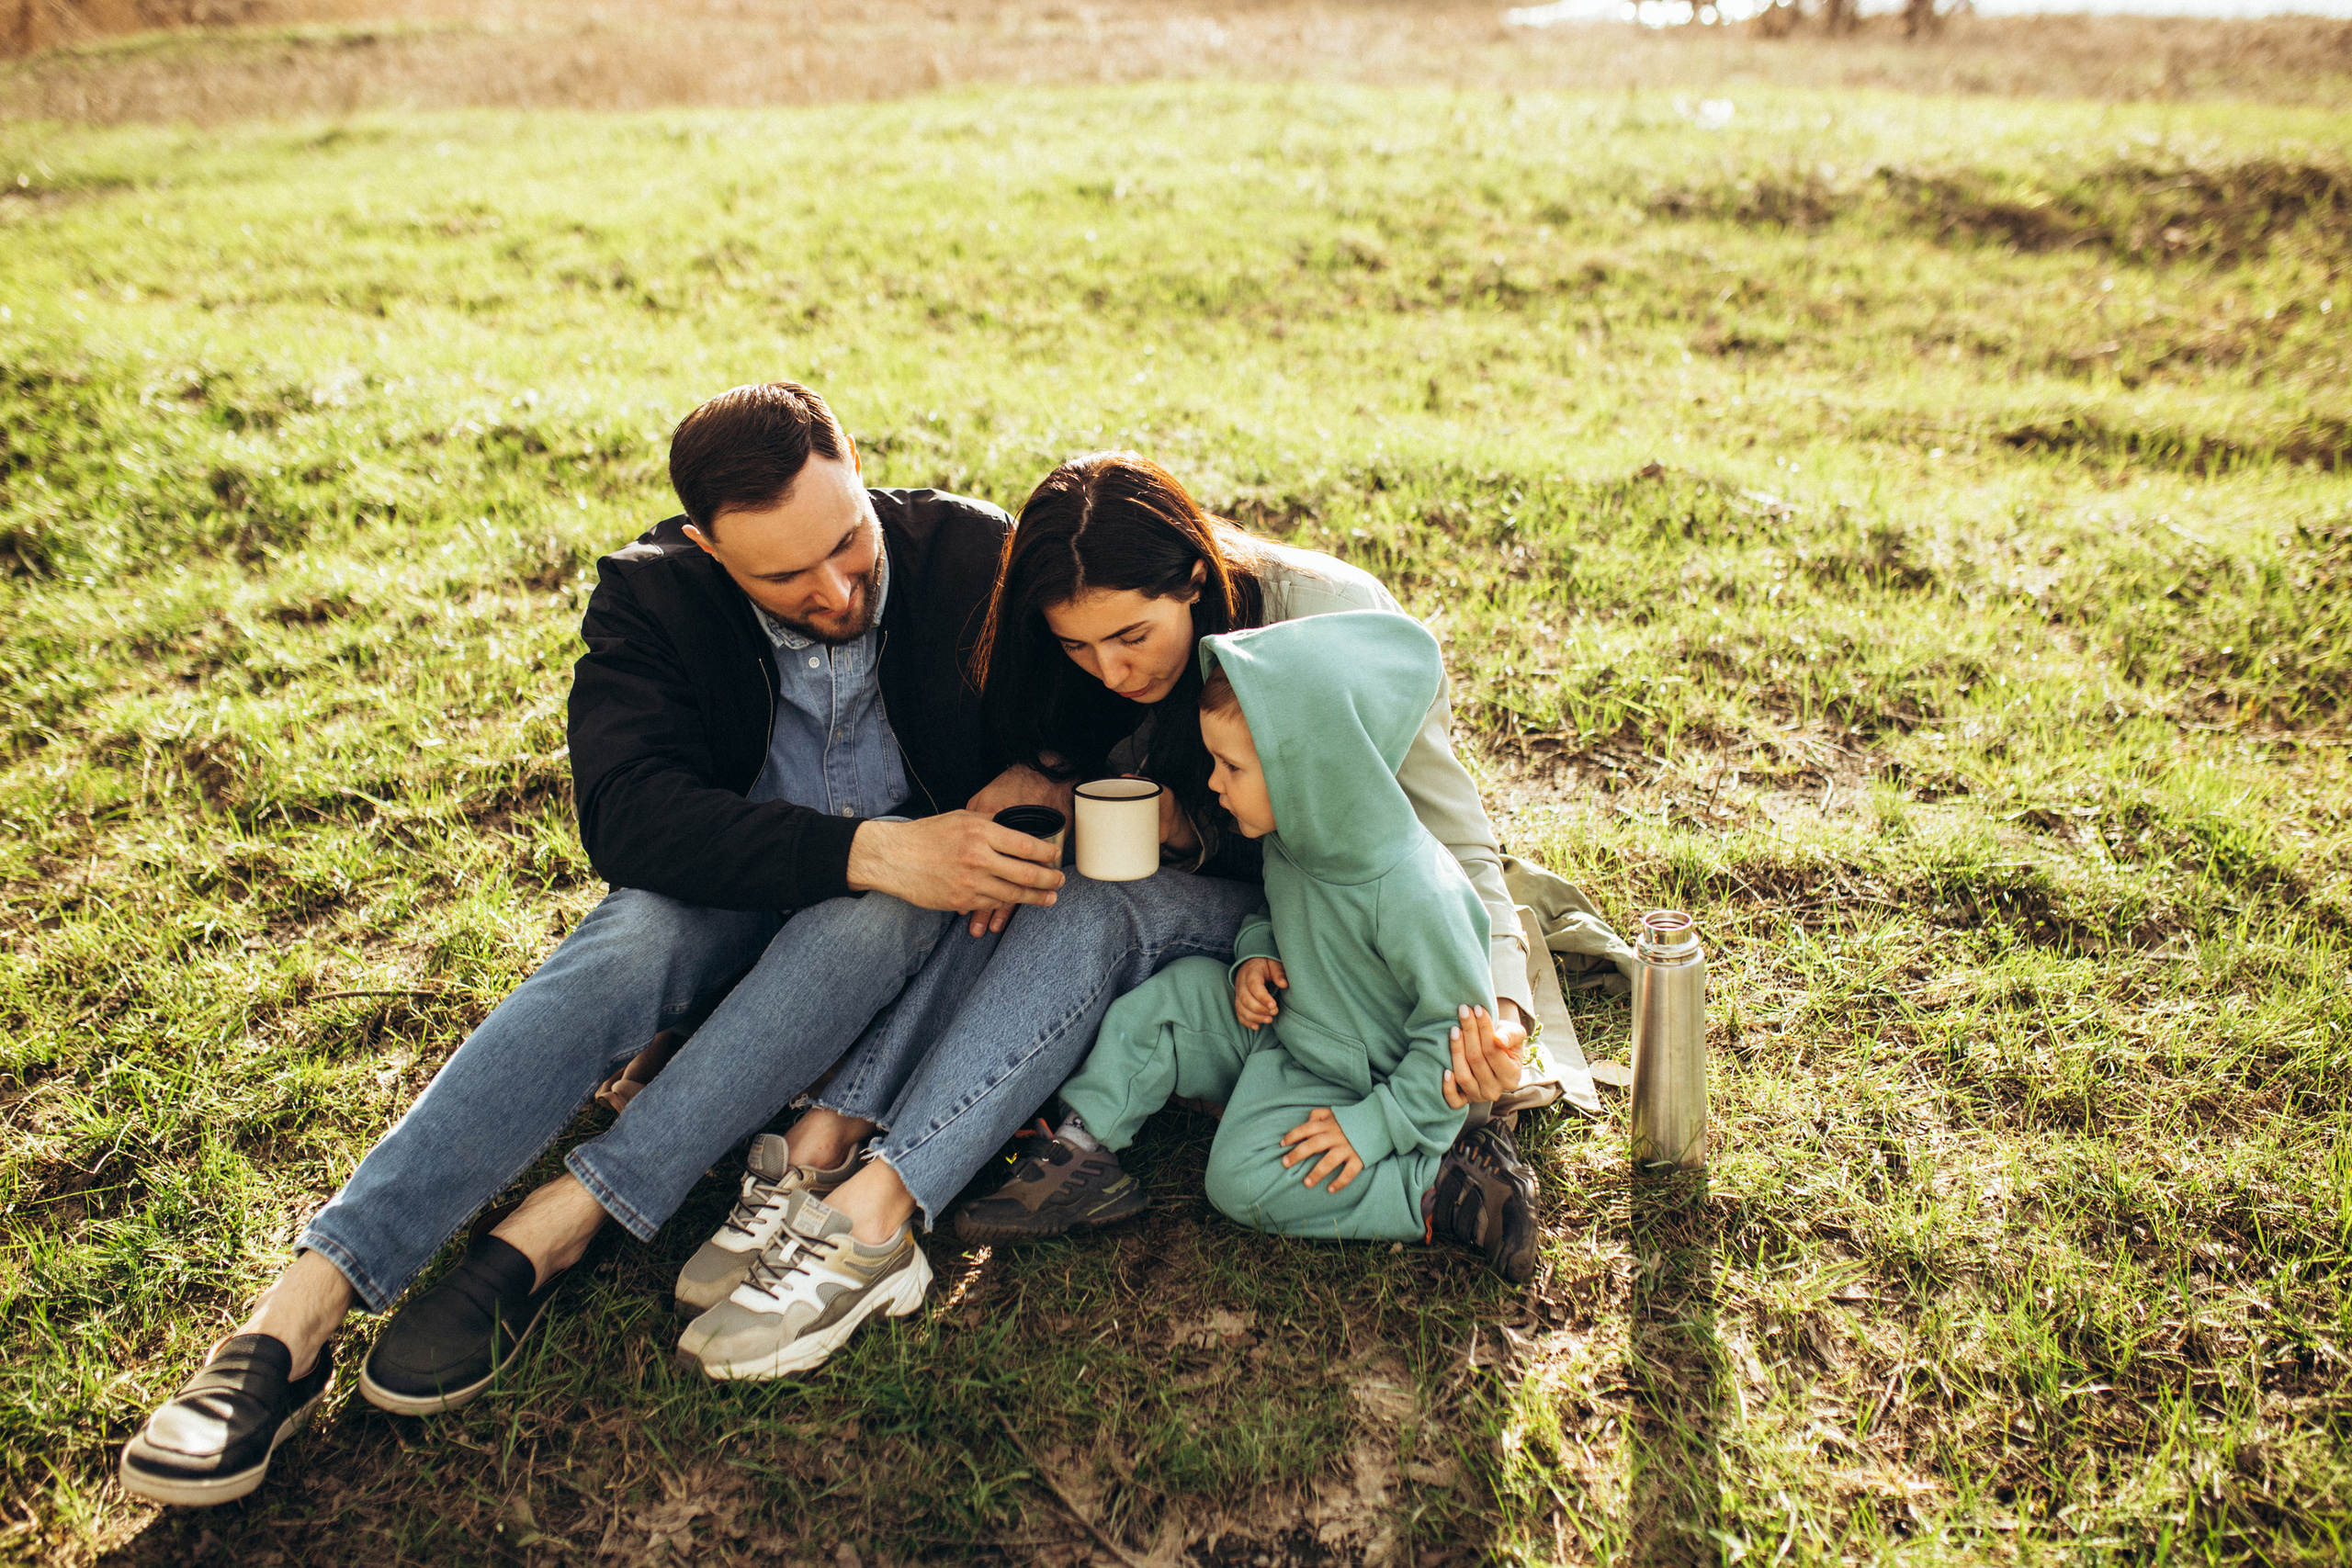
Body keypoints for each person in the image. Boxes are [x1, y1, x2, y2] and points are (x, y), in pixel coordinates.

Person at [116, 380, 1068, 1506]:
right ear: (709, 548)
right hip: (730, 895)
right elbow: (628, 818)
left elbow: (1099, 706)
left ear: (857, 469)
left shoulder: (972, 557)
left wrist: (1041, 769)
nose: (835, 588)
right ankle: (296, 1314)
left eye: (848, 542)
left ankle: (552, 1231)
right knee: (628, 944)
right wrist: (869, 847)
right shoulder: (651, 596)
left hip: (893, 927)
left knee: (884, 912)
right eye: (784, 577)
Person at [670, 453, 1537, 1386]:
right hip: (1274, 935)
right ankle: (833, 1137)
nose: (1111, 671)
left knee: (1092, 903)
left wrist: (1498, 1016)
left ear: (1193, 581)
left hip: (1352, 943)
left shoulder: (1325, 621)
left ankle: (879, 1210)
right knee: (1018, 881)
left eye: (1132, 636)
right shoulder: (1084, 650)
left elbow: (1453, 845)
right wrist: (1061, 797)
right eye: (1079, 648)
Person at [1052, 610, 1538, 1276]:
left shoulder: (1415, 891)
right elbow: (1275, 911)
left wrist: (1374, 1127)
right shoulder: (1292, 837)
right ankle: (1079, 1145)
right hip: (1292, 1023)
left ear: (1305, 769)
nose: (1214, 783)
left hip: (1364, 1080)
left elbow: (1451, 1045)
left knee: (1239, 1179)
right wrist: (1257, 952)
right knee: (1174, 999)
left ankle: (1439, 1187)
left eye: (1230, 766)